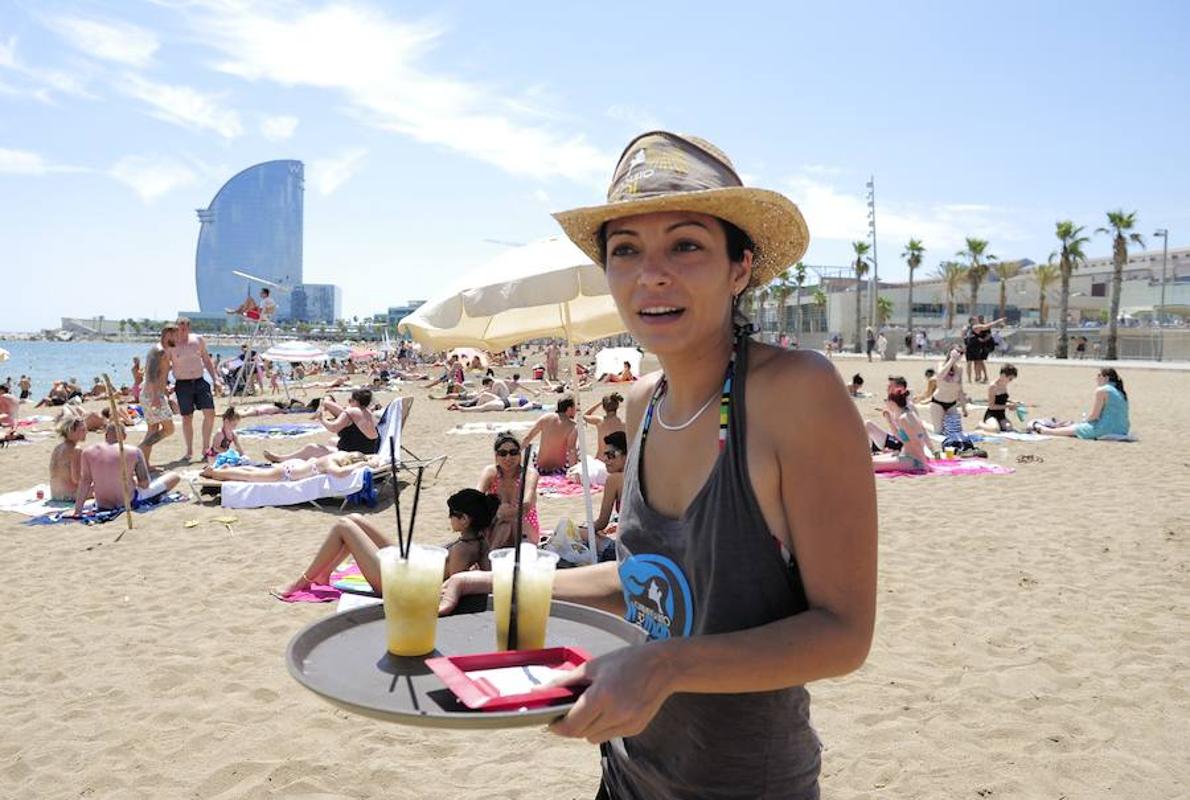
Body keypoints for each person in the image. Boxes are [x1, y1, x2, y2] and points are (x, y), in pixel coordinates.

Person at [440, 130, 875, 799]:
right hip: (627, 773)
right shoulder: (645, 404)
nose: (652, 274)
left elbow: (843, 635)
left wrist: (662, 667)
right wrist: (507, 586)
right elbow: (650, 580)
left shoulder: (796, 394)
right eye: (626, 251)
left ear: (740, 267)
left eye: (686, 244)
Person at [71, 424, 181, 515]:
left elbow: (85, 482)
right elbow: (144, 484)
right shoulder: (134, 451)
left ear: (106, 436)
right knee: (174, 477)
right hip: (128, 501)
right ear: (124, 436)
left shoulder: (88, 452)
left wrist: (78, 510)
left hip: (102, 504)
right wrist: (133, 480)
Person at [264, 388, 379, 462]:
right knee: (332, 441)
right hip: (370, 450)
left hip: (355, 456)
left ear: (356, 401)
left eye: (350, 400)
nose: (349, 403)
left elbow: (333, 428)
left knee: (311, 448)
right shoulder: (368, 412)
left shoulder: (352, 411)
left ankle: (281, 459)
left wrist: (322, 419)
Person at [476, 432, 541, 547]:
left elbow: (526, 504)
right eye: (503, 453)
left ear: (520, 455)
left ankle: (490, 555)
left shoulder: (528, 474)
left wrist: (504, 513)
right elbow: (476, 498)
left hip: (525, 528)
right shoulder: (491, 473)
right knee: (502, 525)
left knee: (509, 521)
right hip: (497, 526)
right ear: (496, 457)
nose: (508, 458)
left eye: (513, 452)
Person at [172, 317, 220, 462]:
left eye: (187, 325)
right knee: (187, 418)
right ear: (176, 327)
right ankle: (189, 450)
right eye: (181, 325)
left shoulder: (198, 340)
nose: (184, 327)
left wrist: (216, 379)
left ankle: (206, 448)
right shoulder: (171, 344)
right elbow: (164, 366)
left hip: (200, 381)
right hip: (182, 383)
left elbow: (206, 360)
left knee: (210, 413)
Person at [1033, 368, 1130, 439]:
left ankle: (1045, 430)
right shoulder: (1120, 391)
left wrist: (1085, 421)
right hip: (1122, 429)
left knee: (1077, 428)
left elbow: (1095, 415)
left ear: (1106, 378)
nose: (1096, 378)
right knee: (1077, 427)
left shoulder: (1102, 390)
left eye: (1099, 375)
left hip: (1106, 428)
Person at [871, 388, 935, 473]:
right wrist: (889, 419)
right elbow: (901, 437)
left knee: (871, 464)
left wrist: (924, 465)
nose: (885, 402)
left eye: (887, 400)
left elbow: (917, 441)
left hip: (914, 460)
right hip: (906, 456)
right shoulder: (906, 415)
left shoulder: (904, 418)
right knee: (869, 460)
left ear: (892, 403)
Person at [139, 325, 177, 466]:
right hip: (153, 395)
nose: (177, 339)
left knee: (153, 428)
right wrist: (156, 396)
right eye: (175, 336)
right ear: (168, 335)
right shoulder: (160, 351)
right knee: (169, 429)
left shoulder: (158, 350)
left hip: (149, 394)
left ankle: (144, 464)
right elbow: (152, 374)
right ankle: (141, 448)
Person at [202, 450, 367, 482]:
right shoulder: (331, 463)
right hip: (289, 472)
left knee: (255, 471)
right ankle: (215, 473)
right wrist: (360, 464)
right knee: (251, 477)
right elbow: (340, 473)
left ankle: (226, 470)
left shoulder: (335, 455)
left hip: (295, 467)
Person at [443, 488, 501, 577]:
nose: (449, 518)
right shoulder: (483, 542)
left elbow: (455, 581)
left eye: (451, 514)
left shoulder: (461, 549)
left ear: (464, 519)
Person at [521, 397, 578, 473]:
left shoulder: (545, 418)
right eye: (574, 408)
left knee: (537, 449)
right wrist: (573, 471)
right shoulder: (573, 426)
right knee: (577, 448)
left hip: (540, 468)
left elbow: (527, 438)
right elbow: (571, 450)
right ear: (569, 409)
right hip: (560, 469)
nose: (576, 411)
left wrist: (515, 454)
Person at [928, 346, 968, 435]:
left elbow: (960, 389)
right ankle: (926, 425)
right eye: (958, 353)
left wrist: (964, 408)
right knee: (938, 431)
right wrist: (951, 361)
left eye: (961, 354)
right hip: (938, 402)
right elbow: (940, 376)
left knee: (955, 432)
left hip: (952, 403)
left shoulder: (959, 369)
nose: (959, 356)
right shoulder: (941, 365)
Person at [49, 413, 88, 501]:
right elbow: (76, 479)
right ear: (70, 431)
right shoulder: (76, 450)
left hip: (55, 494)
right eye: (82, 430)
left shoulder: (58, 448)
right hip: (70, 495)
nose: (86, 432)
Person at [978, 364, 1020, 433]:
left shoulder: (1004, 384)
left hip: (1001, 414)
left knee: (1009, 428)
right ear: (1003, 375)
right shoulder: (993, 386)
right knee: (995, 429)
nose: (1010, 381)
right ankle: (980, 424)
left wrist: (1012, 402)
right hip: (992, 414)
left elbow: (1002, 399)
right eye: (1010, 378)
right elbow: (991, 406)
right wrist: (1007, 406)